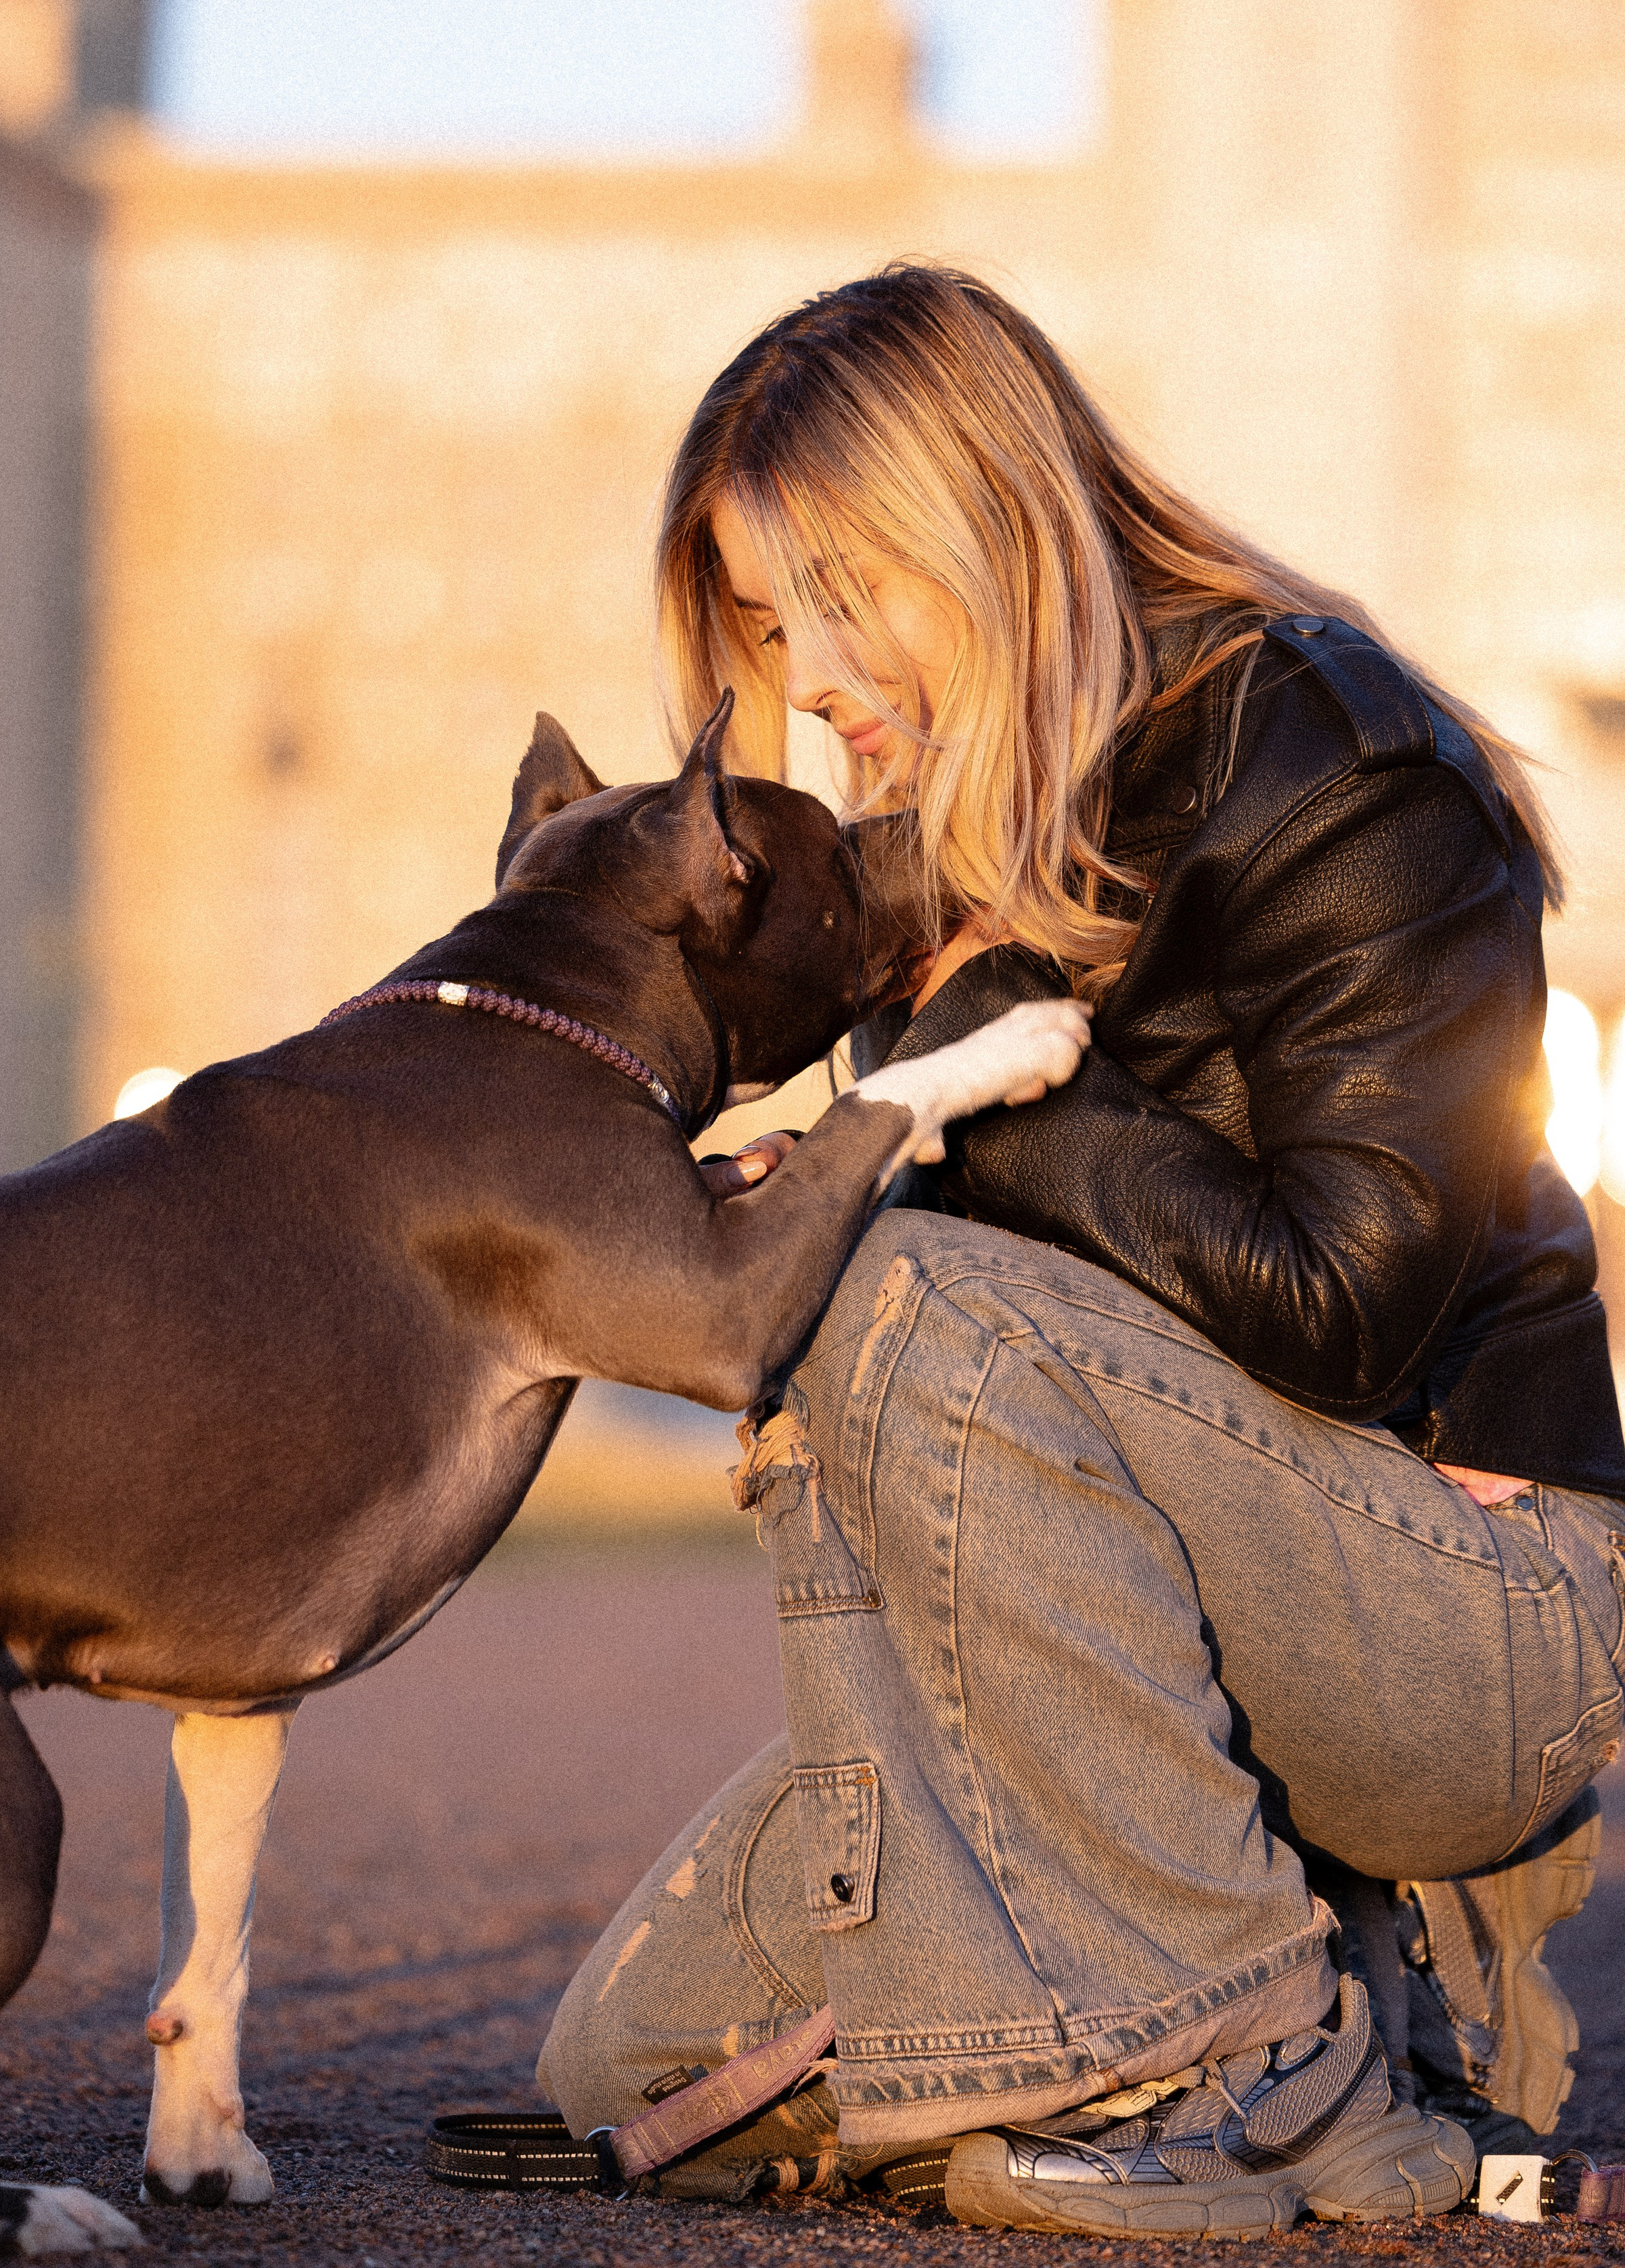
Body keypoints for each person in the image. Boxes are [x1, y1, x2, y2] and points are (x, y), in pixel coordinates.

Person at [536, 266, 1625, 2235]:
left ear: (986, 521)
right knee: (631, 2075)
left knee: (890, 1280)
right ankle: (1304, 1967)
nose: (814, 677)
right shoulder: (937, 855)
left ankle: (1255, 2071)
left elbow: (1347, 1314)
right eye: (772, 626)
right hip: (1164, 1646)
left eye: (844, 594)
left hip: (1469, 1594)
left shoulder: (1331, 754)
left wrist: (982, 1075)